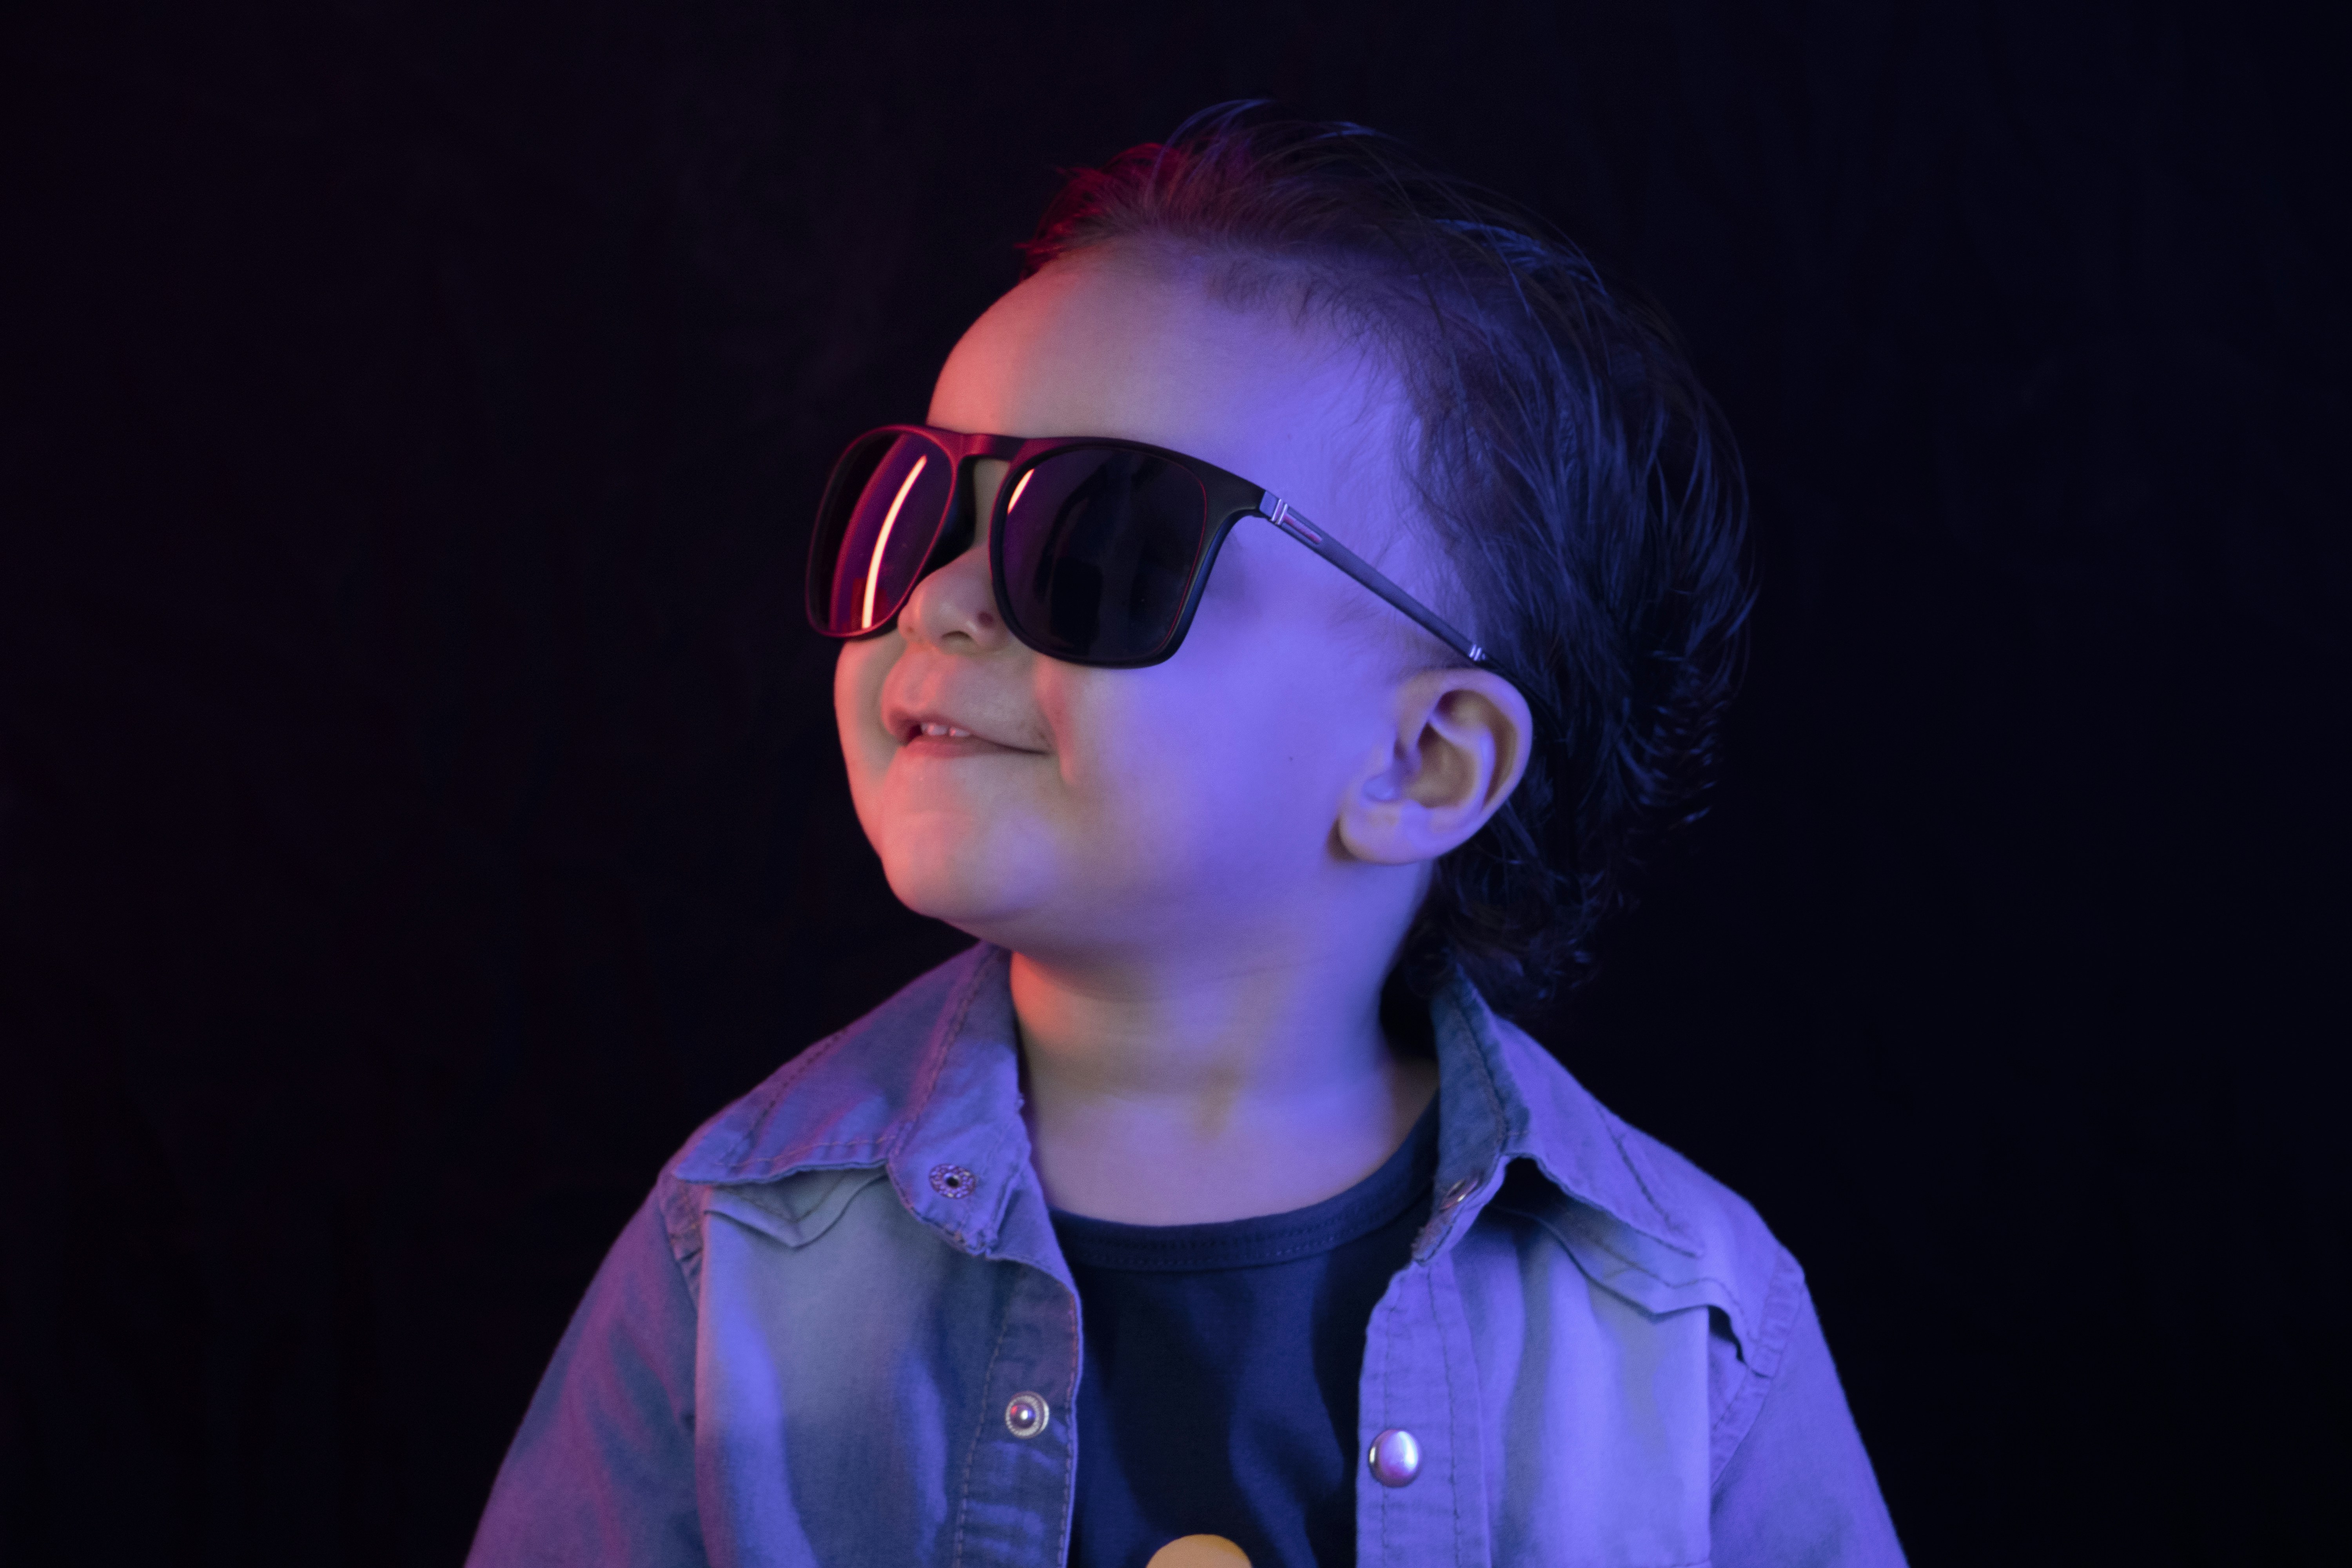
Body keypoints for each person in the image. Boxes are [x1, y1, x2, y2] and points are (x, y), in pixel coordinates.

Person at [467, 105, 1905, 1568]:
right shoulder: (740, 1250)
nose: (940, 601)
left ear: (1421, 759)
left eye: (1100, 543)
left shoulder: (1683, 1314)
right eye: (916, 515)